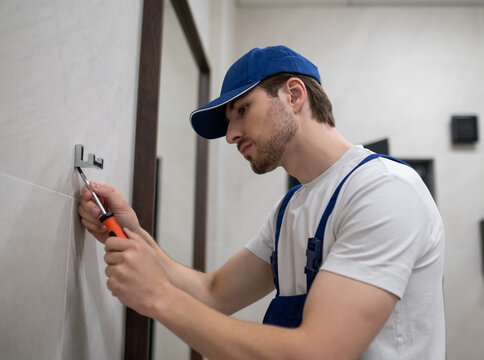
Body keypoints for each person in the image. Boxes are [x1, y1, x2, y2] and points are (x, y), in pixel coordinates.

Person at [79, 45, 445, 359]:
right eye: (228, 120)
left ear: (294, 94)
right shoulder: (289, 211)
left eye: (242, 109)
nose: (231, 135)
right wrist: (134, 234)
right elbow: (214, 294)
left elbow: (318, 352)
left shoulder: (384, 190)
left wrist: (158, 298)